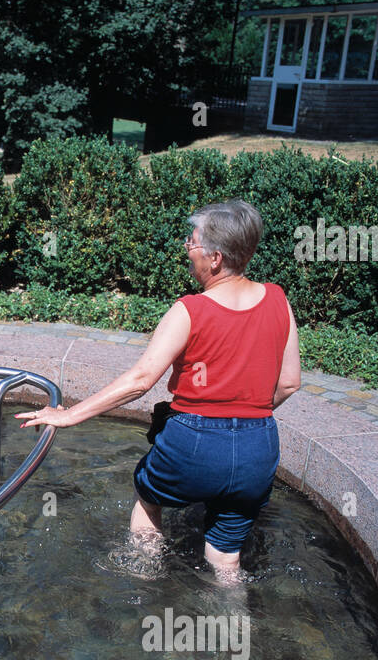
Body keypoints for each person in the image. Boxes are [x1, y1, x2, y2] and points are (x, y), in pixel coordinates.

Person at [18, 199, 301, 584]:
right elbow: (288, 383)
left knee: (149, 499)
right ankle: (234, 623)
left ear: (215, 258)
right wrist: (243, 417)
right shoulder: (278, 300)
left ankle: (144, 582)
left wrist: (69, 415)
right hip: (259, 447)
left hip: (194, 441)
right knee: (226, 559)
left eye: (193, 241)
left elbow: (141, 380)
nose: (187, 247)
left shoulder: (190, 310)